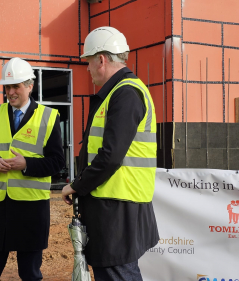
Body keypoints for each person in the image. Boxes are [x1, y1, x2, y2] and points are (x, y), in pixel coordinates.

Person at [62, 26, 159, 281]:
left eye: (89, 62)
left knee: (117, 273)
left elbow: (110, 157)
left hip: (118, 209)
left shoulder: (125, 93)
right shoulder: (120, 93)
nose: (88, 69)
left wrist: (77, 186)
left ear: (101, 59)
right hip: (116, 206)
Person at [0, 57, 64, 281]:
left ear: (30, 85)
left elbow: (57, 161)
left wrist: (27, 165)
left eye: (16, 86)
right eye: (7, 87)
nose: (10, 92)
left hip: (31, 209)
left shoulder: (49, 117)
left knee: (30, 275)